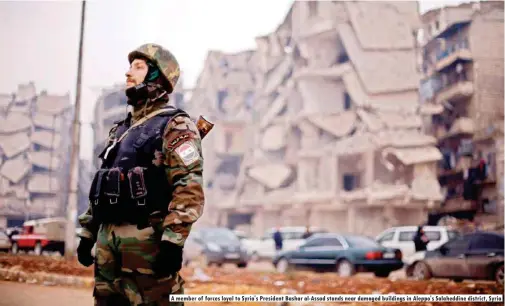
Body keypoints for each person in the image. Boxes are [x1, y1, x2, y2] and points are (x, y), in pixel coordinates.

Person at [76, 43, 205, 306]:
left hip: (148, 249)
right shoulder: (120, 130)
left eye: (138, 67)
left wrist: (173, 240)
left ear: (158, 75)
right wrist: (87, 232)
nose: (128, 73)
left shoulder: (176, 125)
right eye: (129, 66)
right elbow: (104, 183)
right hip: (108, 250)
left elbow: (188, 186)